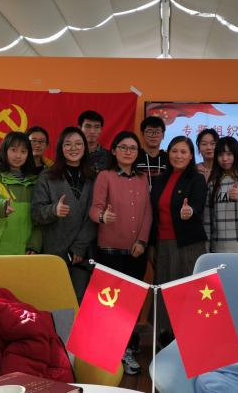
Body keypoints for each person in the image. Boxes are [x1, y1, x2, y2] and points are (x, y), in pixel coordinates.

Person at [89, 130, 152, 375]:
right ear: (114, 151)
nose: (128, 152)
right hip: (110, 251)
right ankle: (112, 352)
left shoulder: (142, 178)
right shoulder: (105, 176)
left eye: (133, 148)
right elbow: (94, 209)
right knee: (110, 304)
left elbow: (147, 213)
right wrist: (103, 216)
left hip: (136, 251)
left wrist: (142, 241)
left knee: (130, 304)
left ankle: (126, 346)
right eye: (123, 147)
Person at [150, 136, 208, 347]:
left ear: (191, 156)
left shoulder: (197, 179)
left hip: (188, 245)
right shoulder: (160, 180)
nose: (178, 156)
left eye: (183, 152)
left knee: (187, 292)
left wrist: (189, 211)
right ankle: (167, 338)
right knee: (165, 292)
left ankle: (190, 340)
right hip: (162, 244)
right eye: (174, 151)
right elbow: (153, 213)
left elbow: (198, 206)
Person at [31, 127, 96, 303]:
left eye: (78, 144)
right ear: (60, 148)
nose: (73, 148)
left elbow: (94, 216)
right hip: (54, 253)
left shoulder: (93, 178)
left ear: (85, 147)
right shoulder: (47, 176)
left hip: (82, 255)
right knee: (55, 303)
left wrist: (79, 247)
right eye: (68, 144)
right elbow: (36, 213)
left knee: (79, 301)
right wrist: (54, 210)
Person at [0, 131, 41, 255]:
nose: (18, 156)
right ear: (4, 151)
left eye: (23, 152)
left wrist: (35, 245)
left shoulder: (35, 182)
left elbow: (40, 219)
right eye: (13, 150)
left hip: (27, 253)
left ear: (28, 155)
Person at [136, 115, 168, 190]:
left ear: (163, 135)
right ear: (142, 134)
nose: (154, 135)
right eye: (149, 131)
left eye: (157, 131)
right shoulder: (134, 156)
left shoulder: (168, 158)